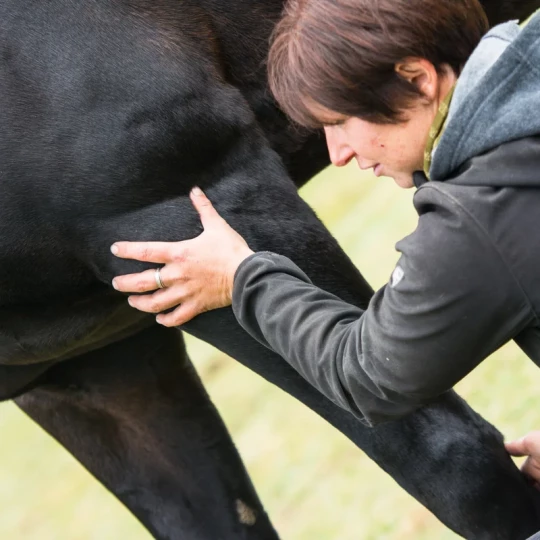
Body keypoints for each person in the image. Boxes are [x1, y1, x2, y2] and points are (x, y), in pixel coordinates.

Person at [109, 0, 540, 493]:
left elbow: (368, 373)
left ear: (417, 79)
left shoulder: (480, 215)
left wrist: (243, 278)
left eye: (339, 121)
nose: (338, 154)